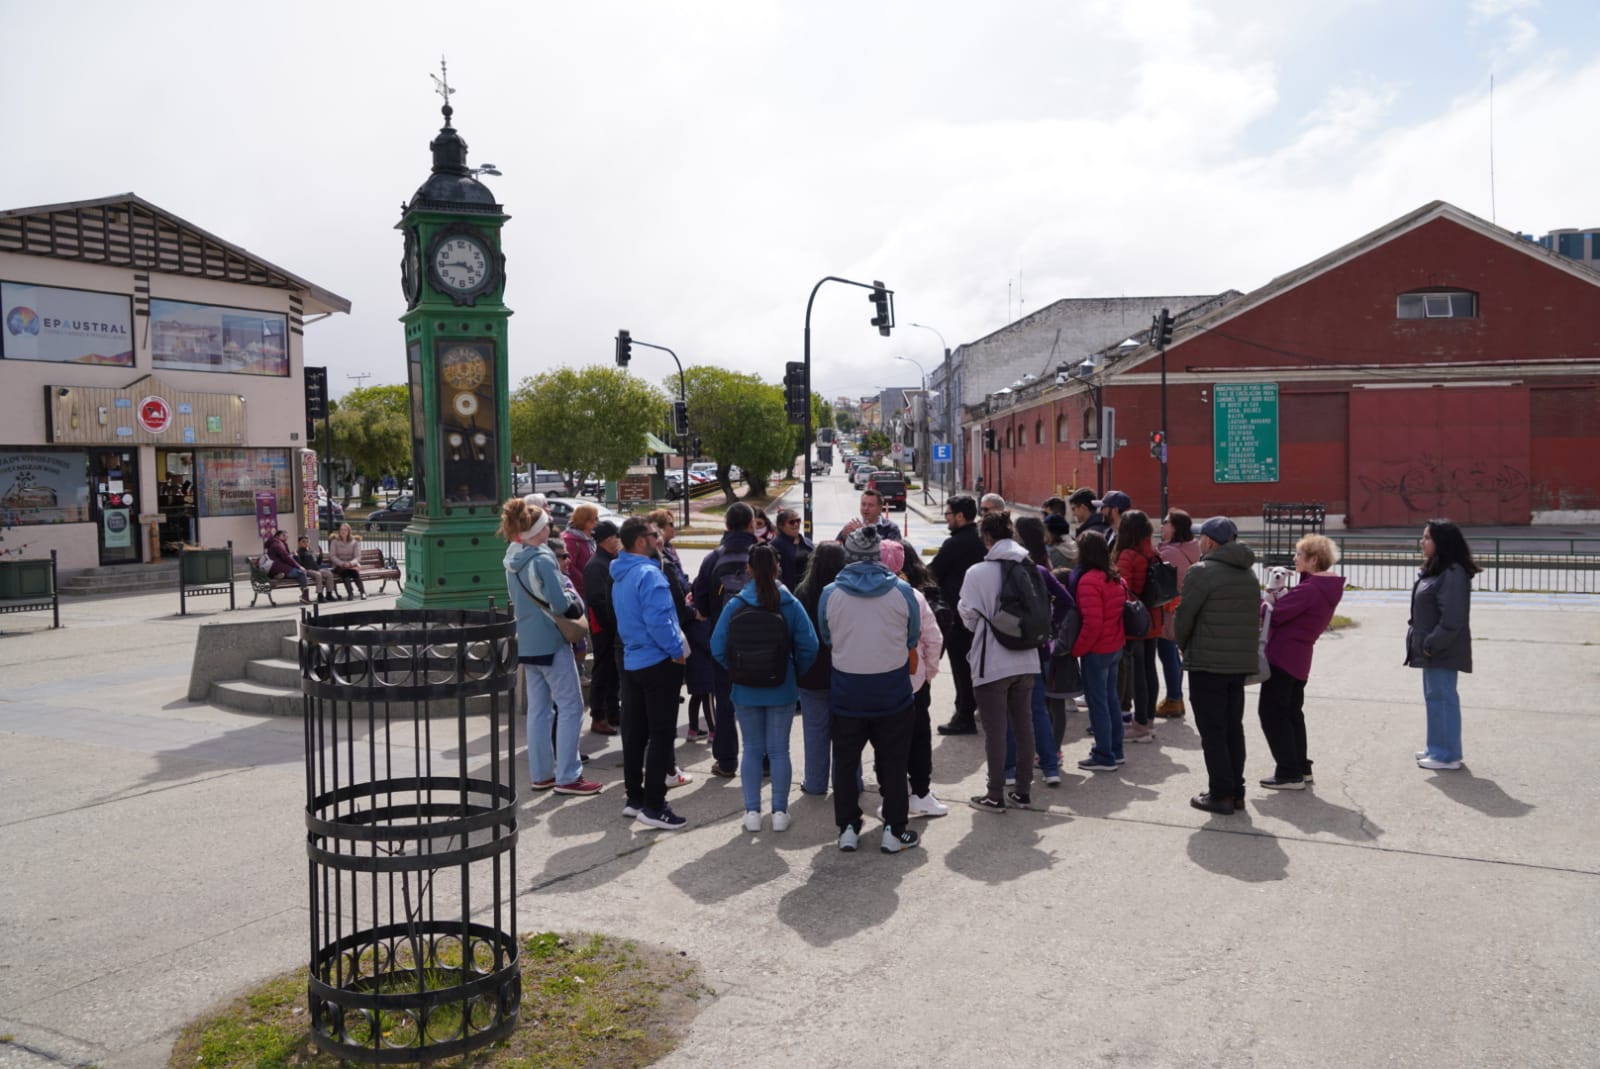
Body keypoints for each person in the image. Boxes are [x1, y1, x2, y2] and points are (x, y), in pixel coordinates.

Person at [817, 528, 923, 854]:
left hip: (847, 693)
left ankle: (848, 827)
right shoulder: (903, 592)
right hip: (892, 692)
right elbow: (911, 638)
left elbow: (827, 638)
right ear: (878, 555)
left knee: (846, 763)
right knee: (893, 762)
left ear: (847, 556)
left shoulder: (829, 593)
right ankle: (894, 829)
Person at [711, 544, 819, 833]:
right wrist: (794, 671)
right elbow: (810, 645)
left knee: (751, 750)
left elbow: (716, 647)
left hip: (745, 689)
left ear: (749, 569)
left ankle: (752, 812)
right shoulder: (789, 603)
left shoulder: (736, 604)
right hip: (781, 686)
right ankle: (780, 812)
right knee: (779, 751)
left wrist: (736, 670)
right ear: (777, 568)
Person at [500, 497, 601, 797]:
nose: (550, 529)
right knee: (570, 707)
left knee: (539, 710)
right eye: (546, 525)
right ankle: (569, 775)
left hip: (528, 640)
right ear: (538, 531)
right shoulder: (543, 559)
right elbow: (559, 603)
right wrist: (571, 600)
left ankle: (541, 773)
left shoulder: (512, 557)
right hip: (551, 639)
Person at [958, 512, 1045, 811]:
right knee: (1024, 724)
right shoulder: (1029, 565)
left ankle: (994, 794)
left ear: (986, 538)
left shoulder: (977, 573)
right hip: (1027, 658)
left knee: (995, 731)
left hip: (992, 661)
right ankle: (1022, 790)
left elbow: (968, 618)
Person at [1173, 517, 1260, 814]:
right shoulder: (1248, 573)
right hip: (1237, 664)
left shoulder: (1202, 572)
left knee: (1212, 731)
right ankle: (1236, 790)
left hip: (1208, 663)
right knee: (1232, 728)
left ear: (1209, 541)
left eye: (1201, 538)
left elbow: (1184, 617)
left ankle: (1220, 792)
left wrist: (1181, 644)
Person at [611, 517, 691, 829]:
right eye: (653, 534)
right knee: (661, 735)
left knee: (635, 733)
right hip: (657, 661)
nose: (658, 539)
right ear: (641, 541)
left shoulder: (620, 573)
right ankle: (654, 806)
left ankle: (635, 798)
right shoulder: (649, 574)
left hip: (633, 659)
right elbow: (661, 621)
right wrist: (676, 652)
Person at [1257, 534, 1346, 789]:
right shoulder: (1322, 587)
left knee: (1273, 713)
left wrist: (1267, 595)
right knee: (1291, 712)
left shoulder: (1310, 589)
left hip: (1283, 656)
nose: (1294, 559)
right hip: (1299, 657)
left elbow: (1273, 613)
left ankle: (1288, 771)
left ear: (1313, 560)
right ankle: (1300, 766)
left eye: (1299, 555)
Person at [882, 540, 949, 818]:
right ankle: (921, 792)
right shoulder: (913, 595)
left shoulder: (858, 595)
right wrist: (929, 672)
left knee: (886, 741)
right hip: (914, 678)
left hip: (880, 680)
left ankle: (891, 798)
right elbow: (933, 639)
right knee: (919, 737)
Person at [692, 502, 758, 777]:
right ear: (752, 524)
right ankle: (763, 761)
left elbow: (701, 603)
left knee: (726, 702)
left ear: (727, 526)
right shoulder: (764, 556)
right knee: (759, 703)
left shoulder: (713, 559)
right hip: (762, 643)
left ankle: (727, 761)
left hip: (723, 643)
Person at [1407, 520, 1479, 771]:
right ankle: (1436, 747)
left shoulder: (1452, 573)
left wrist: (1431, 644)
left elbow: (1453, 618)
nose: (1422, 542)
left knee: (1443, 699)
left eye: (1427, 537)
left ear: (1442, 542)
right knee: (1434, 698)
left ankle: (1447, 755)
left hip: (1441, 648)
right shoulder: (1437, 569)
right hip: (1432, 649)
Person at [1006, 516, 1069, 787]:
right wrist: (1051, 625)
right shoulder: (1041, 572)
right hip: (1039, 648)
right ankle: (1050, 767)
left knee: (1009, 712)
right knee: (1039, 710)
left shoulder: (1001, 572)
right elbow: (1067, 601)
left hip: (1008, 649)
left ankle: (1009, 771)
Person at [794, 541, 848, 796]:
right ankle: (848, 782)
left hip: (811, 673)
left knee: (814, 731)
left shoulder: (802, 593)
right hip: (844, 671)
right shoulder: (847, 593)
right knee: (847, 733)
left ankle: (815, 783)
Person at [930, 493, 986, 736]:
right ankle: (971, 709)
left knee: (961, 668)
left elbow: (933, 571)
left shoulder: (956, 543)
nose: (946, 519)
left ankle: (964, 715)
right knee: (976, 667)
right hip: (982, 614)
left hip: (959, 615)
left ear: (961, 516)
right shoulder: (982, 538)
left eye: (948, 514)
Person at [1070, 530, 1125, 772]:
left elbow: (1092, 623)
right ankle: (1116, 749)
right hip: (1114, 645)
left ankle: (1104, 754)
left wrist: (1077, 649)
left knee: (1098, 702)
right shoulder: (1114, 577)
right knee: (1111, 699)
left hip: (1097, 649)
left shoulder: (1088, 580)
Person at [1115, 510, 1165, 744]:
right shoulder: (1152, 551)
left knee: (1138, 672)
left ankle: (1141, 724)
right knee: (1149, 670)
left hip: (1135, 620)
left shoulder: (1128, 554)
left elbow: (1124, 590)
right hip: (1154, 617)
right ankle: (1149, 720)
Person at [1155, 509, 1201, 717]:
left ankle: (1174, 698)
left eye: (1165, 522)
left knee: (1167, 654)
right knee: (1173, 654)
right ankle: (1176, 698)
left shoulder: (1169, 553)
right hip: (1185, 606)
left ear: (1175, 527)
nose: (1162, 526)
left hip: (1169, 609)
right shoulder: (1194, 548)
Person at [583, 520, 623, 736]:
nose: (618, 540)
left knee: (613, 672)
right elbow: (599, 602)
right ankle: (598, 715)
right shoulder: (597, 565)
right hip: (603, 628)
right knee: (602, 671)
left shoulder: (608, 561)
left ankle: (612, 710)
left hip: (611, 626)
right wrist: (612, 626)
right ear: (608, 540)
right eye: (616, 537)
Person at [562, 503, 600, 603]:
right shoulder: (570, 540)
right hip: (580, 592)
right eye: (595, 518)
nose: (598, 521)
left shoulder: (589, 537)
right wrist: (586, 583)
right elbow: (569, 566)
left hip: (591, 588)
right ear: (586, 520)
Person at [836, 488, 903, 543]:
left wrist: (864, 534)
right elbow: (836, 551)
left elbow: (894, 553)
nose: (866, 508)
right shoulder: (851, 527)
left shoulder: (891, 528)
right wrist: (844, 537)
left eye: (870, 505)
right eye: (863, 504)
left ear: (880, 508)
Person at [263, 529, 310, 604]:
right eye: (284, 535)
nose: (286, 537)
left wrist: (292, 556)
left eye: (287, 535)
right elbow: (285, 557)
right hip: (278, 567)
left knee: (299, 572)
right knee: (301, 572)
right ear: (278, 536)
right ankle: (305, 596)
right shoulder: (277, 544)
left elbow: (286, 556)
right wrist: (299, 566)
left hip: (278, 568)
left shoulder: (279, 543)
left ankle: (278, 575)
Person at [772, 507, 812, 591]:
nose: (796, 524)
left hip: (808, 589)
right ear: (781, 526)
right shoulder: (775, 545)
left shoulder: (807, 542)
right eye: (791, 522)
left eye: (798, 520)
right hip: (788, 590)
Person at [327, 522, 367, 600]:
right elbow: (332, 556)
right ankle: (350, 593)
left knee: (354, 572)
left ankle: (363, 592)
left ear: (349, 531)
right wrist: (341, 563)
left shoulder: (354, 542)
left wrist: (350, 563)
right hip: (339, 565)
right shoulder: (334, 541)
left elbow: (358, 556)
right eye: (341, 530)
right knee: (345, 573)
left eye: (345, 530)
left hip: (351, 564)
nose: (343, 531)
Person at [294, 535, 339, 601]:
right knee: (318, 575)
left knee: (329, 574)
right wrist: (296, 556)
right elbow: (299, 563)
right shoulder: (299, 552)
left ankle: (329, 594)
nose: (306, 543)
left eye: (307, 542)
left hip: (316, 569)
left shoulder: (311, 551)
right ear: (299, 543)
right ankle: (320, 595)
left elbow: (318, 563)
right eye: (303, 542)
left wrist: (320, 555)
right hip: (308, 570)